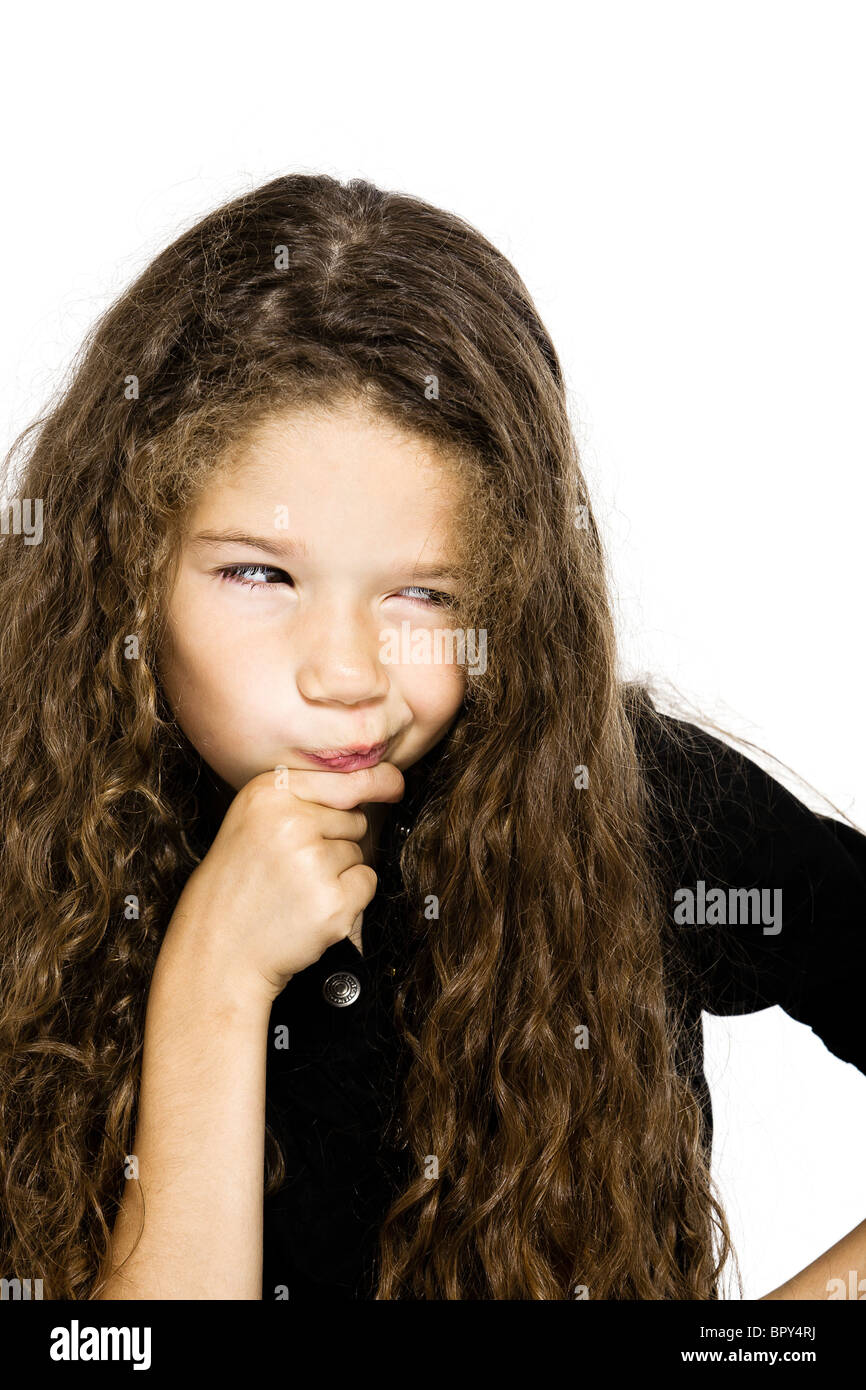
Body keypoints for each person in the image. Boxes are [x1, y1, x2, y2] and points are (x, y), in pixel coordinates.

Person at [0, 174, 862, 1301]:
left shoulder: (623, 797)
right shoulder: (30, 850)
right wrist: (213, 977)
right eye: (260, 573)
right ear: (128, 567)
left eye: (423, 596)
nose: (347, 672)